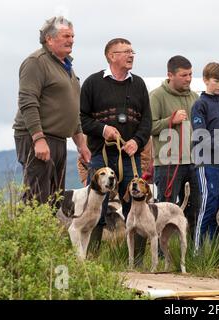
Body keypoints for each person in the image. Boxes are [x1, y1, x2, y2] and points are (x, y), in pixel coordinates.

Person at [80, 38, 152, 262]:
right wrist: (103, 130)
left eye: (133, 51)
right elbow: (83, 120)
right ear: (111, 56)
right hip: (101, 155)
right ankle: (91, 261)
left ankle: (137, 262)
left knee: (137, 205)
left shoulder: (138, 84)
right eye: (126, 51)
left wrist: (137, 142)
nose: (131, 55)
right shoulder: (92, 83)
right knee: (96, 207)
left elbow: (147, 121)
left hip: (129, 157)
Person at [13, 16, 90, 205]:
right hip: (37, 137)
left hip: (58, 138)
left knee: (55, 198)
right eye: (65, 36)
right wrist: (38, 139)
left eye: (72, 36)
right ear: (49, 38)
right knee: (37, 196)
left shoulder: (67, 67)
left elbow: (72, 110)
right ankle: (30, 236)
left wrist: (81, 145)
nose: (71, 40)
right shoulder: (36, 62)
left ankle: (48, 235)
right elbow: (27, 101)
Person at [150, 55, 200, 237]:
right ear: (170, 75)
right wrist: (170, 120)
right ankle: (163, 255)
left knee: (196, 208)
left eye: (191, 74)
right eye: (184, 75)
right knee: (166, 211)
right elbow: (148, 126)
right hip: (167, 164)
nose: (188, 79)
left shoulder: (195, 97)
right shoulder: (156, 96)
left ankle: (192, 252)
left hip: (193, 163)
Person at [191, 62, 219, 252]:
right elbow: (199, 135)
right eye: (217, 80)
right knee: (208, 205)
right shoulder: (200, 104)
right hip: (206, 163)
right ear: (206, 80)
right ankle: (197, 251)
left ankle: (214, 251)